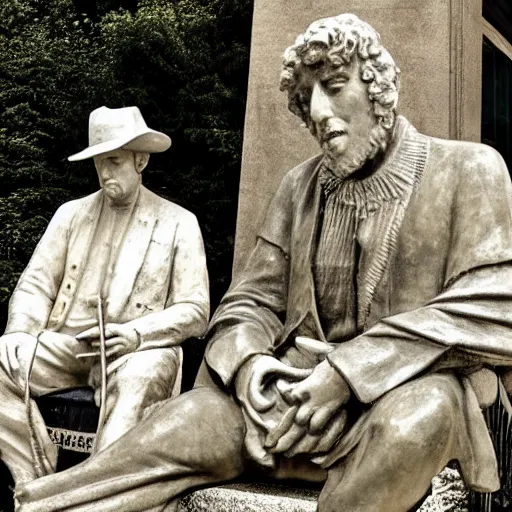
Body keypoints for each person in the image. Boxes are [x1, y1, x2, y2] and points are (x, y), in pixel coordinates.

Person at [15, 14, 512, 512]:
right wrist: (252, 363)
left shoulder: (470, 170)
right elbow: (245, 304)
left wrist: (347, 373)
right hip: (282, 405)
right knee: (178, 424)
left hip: (395, 401)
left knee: (417, 421)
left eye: (335, 87)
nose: (318, 111)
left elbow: (497, 304)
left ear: (378, 87)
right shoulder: (299, 187)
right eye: (307, 100)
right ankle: (39, 504)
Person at [0, 106, 209, 486]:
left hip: (134, 352)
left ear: (140, 159)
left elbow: (195, 310)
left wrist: (136, 335)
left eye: (114, 161)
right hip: (65, 346)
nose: (105, 172)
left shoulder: (180, 222)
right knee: (1, 355)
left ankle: (96, 495)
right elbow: (35, 286)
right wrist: (19, 331)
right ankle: (34, 478)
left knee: (144, 375)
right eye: (100, 163)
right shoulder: (70, 215)